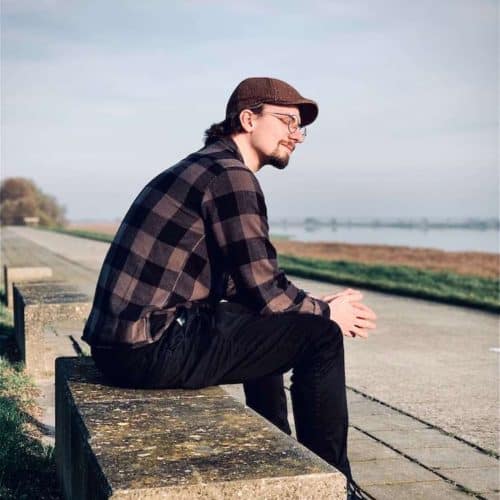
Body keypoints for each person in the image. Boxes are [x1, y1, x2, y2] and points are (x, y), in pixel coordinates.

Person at [82, 77, 377, 499]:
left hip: (125, 345)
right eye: (286, 121)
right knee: (321, 338)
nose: (296, 134)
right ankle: (334, 486)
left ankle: (283, 453)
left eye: (301, 126)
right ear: (247, 119)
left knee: (278, 320)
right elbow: (264, 288)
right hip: (149, 348)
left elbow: (250, 290)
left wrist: (310, 305)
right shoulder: (230, 176)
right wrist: (326, 314)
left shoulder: (207, 166)